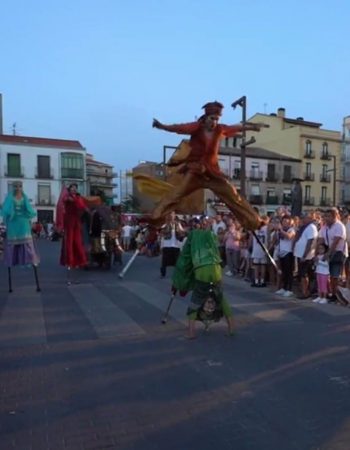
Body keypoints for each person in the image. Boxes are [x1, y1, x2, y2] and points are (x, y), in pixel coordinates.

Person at [151, 101, 265, 230]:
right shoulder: (196, 127)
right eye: (212, 119)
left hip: (213, 173)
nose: (214, 122)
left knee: (233, 195)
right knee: (176, 194)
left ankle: (254, 221)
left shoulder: (220, 129)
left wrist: (252, 127)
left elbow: (236, 126)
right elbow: (179, 128)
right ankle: (156, 218)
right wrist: (162, 126)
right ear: (205, 118)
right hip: (196, 172)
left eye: (217, 119)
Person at [172, 217, 235, 339]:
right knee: (221, 298)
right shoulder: (211, 235)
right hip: (215, 269)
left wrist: (180, 275)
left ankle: (191, 333)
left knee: (195, 300)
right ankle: (232, 328)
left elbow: (185, 257)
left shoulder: (192, 236)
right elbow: (217, 250)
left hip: (202, 270)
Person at [1, 182, 41, 291]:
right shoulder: (9, 198)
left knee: (27, 245)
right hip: (13, 224)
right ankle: (11, 261)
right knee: (12, 246)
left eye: (19, 186)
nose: (18, 188)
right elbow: (5, 210)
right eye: (16, 186)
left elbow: (28, 210)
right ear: (13, 187)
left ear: (22, 187)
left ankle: (32, 260)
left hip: (23, 223)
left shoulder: (24, 197)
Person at [56, 183, 88, 280]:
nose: (74, 189)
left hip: (76, 223)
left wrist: (84, 208)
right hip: (69, 222)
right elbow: (63, 202)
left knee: (78, 243)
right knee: (69, 243)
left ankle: (78, 260)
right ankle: (69, 260)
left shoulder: (78, 198)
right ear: (69, 190)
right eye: (72, 188)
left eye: (75, 188)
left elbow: (82, 206)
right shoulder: (67, 198)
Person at [159, 211, 185, 278]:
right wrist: (161, 246)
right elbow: (161, 235)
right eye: (170, 215)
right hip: (167, 245)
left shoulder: (178, 224)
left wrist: (181, 232)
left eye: (172, 215)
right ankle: (163, 274)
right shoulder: (164, 225)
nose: (171, 216)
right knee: (164, 261)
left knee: (178, 261)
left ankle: (178, 274)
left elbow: (182, 232)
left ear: (174, 216)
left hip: (176, 245)